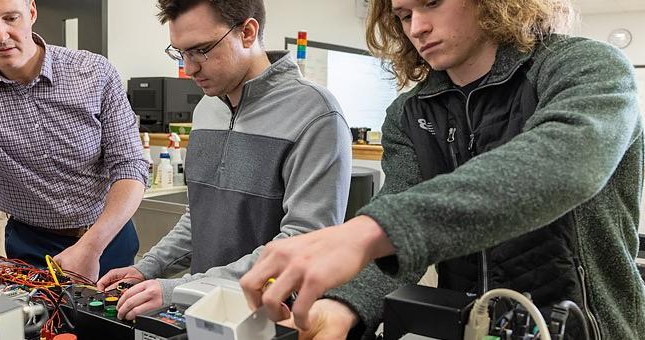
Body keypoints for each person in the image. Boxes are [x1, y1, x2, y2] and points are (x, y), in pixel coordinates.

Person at [240, 0, 645, 339]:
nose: (417, 27)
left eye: (432, 2)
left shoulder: (584, 66)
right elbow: (402, 245)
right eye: (403, 14)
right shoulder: (410, 113)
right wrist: (341, 306)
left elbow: (565, 163)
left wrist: (366, 232)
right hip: (471, 326)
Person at [96, 0, 353, 321]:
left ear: (247, 32)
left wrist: (177, 289)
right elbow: (199, 217)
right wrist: (148, 267)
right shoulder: (206, 109)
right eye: (181, 52)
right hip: (201, 304)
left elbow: (305, 240)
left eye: (201, 50)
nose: (189, 68)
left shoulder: (315, 112)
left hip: (271, 315)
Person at [0, 0, 148, 289]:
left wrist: (92, 246)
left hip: (108, 236)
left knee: (114, 327)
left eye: (11, 18)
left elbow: (131, 167)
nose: (1, 35)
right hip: (30, 245)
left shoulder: (95, 73)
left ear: (31, 12)